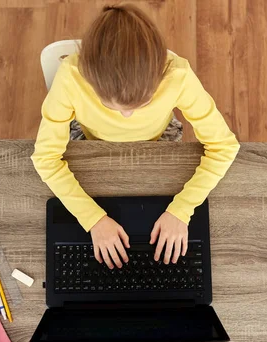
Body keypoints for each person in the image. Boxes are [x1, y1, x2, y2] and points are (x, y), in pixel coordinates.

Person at [32, 4, 240, 270]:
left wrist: (182, 210)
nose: (127, 117)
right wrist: (93, 219)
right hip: (89, 143)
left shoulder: (178, 76)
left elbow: (224, 146)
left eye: (141, 104)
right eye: (112, 107)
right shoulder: (71, 77)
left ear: (159, 74)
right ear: (90, 79)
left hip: (158, 141)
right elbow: (45, 158)